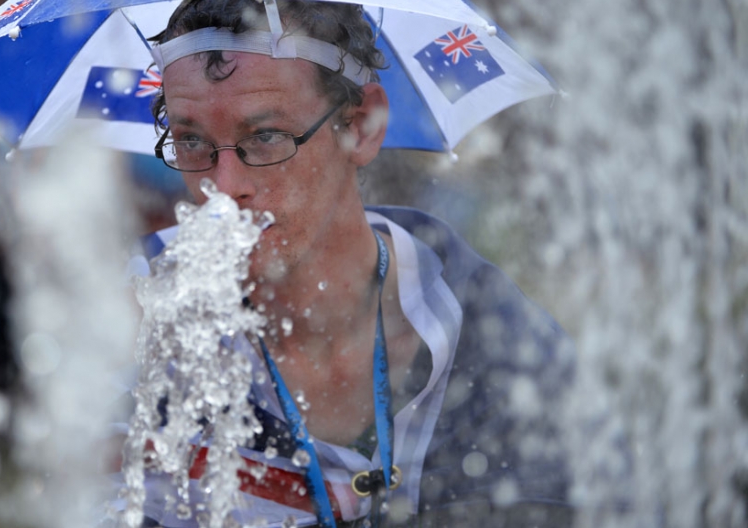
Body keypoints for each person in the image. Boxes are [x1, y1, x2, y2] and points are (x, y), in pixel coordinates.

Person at [124, 0, 575, 526]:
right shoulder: (132, 321)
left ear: (361, 127)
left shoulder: (487, 337)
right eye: (192, 141)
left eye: (265, 137)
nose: (223, 188)